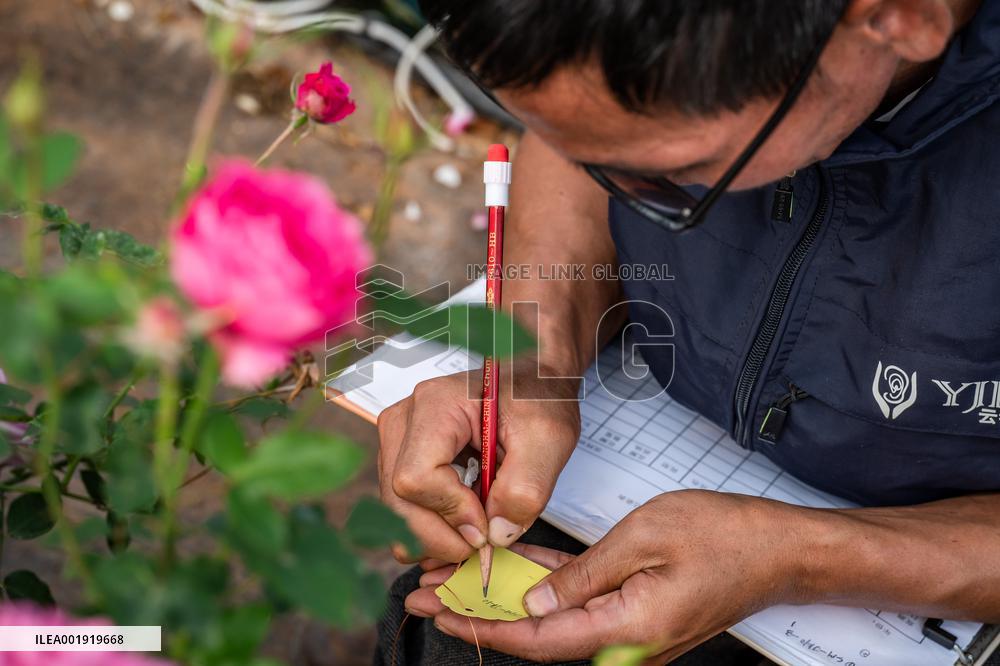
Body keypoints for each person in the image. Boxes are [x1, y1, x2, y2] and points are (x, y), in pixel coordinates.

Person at [374, 0, 1000, 663]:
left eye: (668, 176)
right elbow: (583, 142)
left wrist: (804, 559)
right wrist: (538, 355)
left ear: (898, 18)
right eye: (574, 146)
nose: (607, 179)